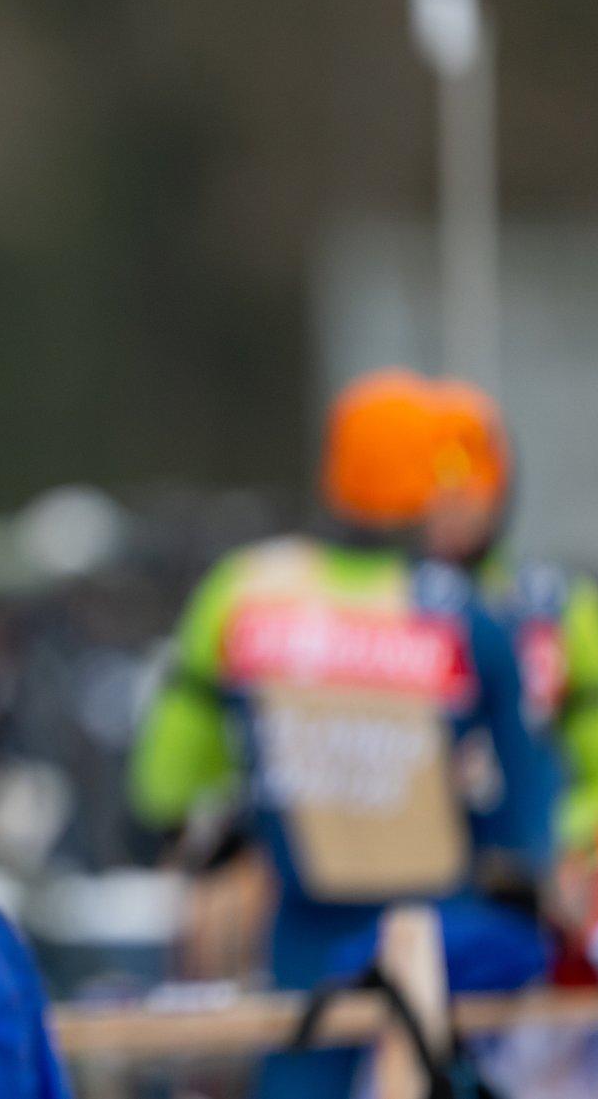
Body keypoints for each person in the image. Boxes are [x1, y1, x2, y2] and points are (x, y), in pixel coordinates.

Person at [129, 369, 548, 1098]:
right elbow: (526, 791)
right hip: (438, 930)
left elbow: (169, 777)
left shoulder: (247, 590)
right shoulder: (462, 613)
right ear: (427, 485)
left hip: (302, 928)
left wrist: (207, 828)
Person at [426, 379, 598, 854]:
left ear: (503, 485)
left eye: (472, 477)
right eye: (436, 479)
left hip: (530, 870)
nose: (454, 499)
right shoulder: (385, 608)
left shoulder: (561, 604)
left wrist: (549, 831)